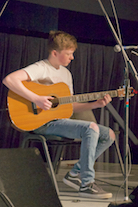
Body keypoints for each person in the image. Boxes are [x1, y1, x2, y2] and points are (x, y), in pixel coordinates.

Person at [3, 30, 115, 199]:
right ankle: (86, 183)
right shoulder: (41, 68)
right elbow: (9, 80)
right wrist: (36, 98)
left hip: (60, 121)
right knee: (91, 128)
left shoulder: (66, 74)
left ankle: (73, 174)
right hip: (42, 122)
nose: (72, 58)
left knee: (109, 135)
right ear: (55, 53)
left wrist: (95, 104)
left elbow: (67, 107)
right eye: (69, 54)